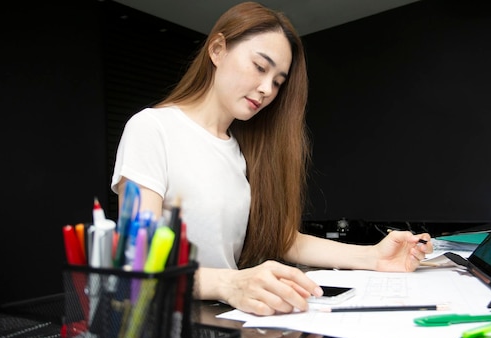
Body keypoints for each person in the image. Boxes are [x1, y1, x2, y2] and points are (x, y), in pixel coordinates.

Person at [111, 2, 433, 316]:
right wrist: (231, 283)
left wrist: (375, 257)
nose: (267, 89)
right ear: (217, 50)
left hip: (225, 326)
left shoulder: (240, 151)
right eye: (260, 67)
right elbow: (137, 262)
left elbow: (281, 239)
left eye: (278, 82)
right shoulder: (152, 129)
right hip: (163, 329)